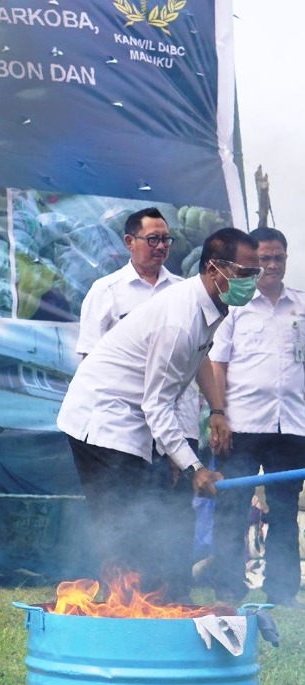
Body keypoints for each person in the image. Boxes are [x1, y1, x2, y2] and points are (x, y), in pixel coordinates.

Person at [57, 227, 260, 596]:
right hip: (103, 419)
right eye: (244, 273)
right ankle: (118, 608)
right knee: (122, 522)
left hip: (133, 419)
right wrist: (194, 468)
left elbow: (172, 387)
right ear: (215, 269)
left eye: (255, 273)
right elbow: (157, 402)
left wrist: (173, 450)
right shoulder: (180, 320)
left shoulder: (211, 307)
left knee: (145, 515)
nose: (251, 281)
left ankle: (146, 602)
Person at [74, 207, 201, 599]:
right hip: (121, 426)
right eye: (153, 239)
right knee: (119, 511)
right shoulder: (106, 292)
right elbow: (91, 363)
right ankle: (118, 595)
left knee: (175, 510)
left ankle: (173, 595)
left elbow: (197, 364)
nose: (161, 247)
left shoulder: (183, 292)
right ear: (129, 242)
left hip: (173, 421)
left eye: (166, 239)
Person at [204, 227, 305, 607]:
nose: (272, 265)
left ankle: (282, 592)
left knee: (284, 509)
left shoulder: (301, 305)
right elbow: (217, 363)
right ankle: (228, 588)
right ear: (252, 262)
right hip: (240, 425)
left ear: (286, 259)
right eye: (264, 258)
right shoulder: (234, 306)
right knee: (231, 506)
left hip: (292, 426)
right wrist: (218, 414)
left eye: (278, 257)